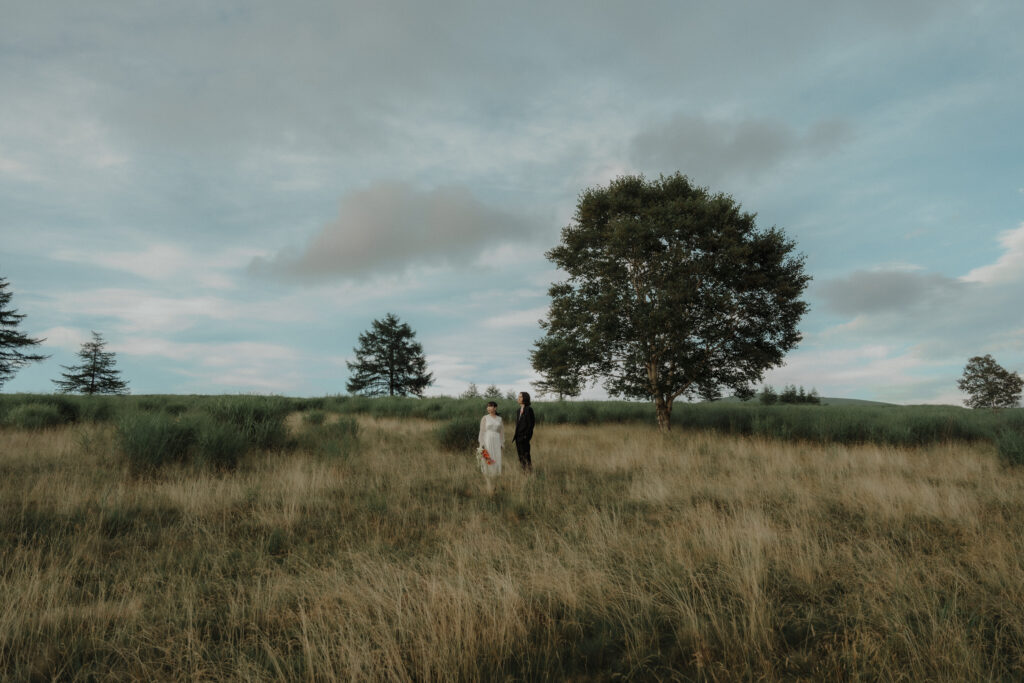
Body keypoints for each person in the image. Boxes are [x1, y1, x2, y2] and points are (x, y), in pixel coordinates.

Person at [478, 400, 503, 476]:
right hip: (487, 438)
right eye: (488, 406)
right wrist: (481, 443)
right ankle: (488, 473)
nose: (488, 408)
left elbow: (501, 432)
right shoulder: (485, 418)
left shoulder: (499, 419)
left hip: (496, 438)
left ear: (495, 408)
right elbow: (482, 431)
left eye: (490, 406)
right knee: (489, 454)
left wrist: (501, 443)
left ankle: (496, 473)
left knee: (496, 454)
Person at [513, 391, 535, 472]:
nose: (518, 398)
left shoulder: (529, 410)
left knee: (526, 455)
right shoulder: (518, 410)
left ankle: (529, 471)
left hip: (524, 438)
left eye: (520, 397)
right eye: (518, 397)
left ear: (525, 398)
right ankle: (524, 471)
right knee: (520, 456)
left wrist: (526, 437)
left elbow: (531, 425)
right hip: (517, 437)